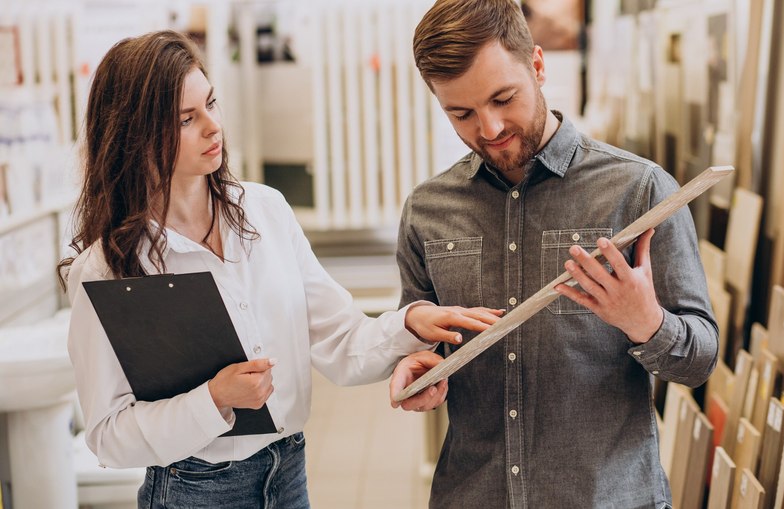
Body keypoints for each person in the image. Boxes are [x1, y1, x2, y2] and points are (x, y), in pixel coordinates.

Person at [59, 30, 501, 508]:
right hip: (192, 491)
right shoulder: (107, 270)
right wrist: (213, 399)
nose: (213, 127)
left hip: (287, 474)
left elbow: (342, 342)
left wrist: (408, 324)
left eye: (211, 103)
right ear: (136, 137)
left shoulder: (265, 211)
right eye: (187, 119)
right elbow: (107, 435)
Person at [388, 1, 719, 507]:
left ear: (538, 66)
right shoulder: (428, 210)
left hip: (606, 496)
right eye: (462, 113)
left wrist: (645, 321)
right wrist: (419, 365)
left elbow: (699, 361)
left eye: (504, 98)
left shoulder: (640, 192)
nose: (491, 128)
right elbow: (421, 336)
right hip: (474, 493)